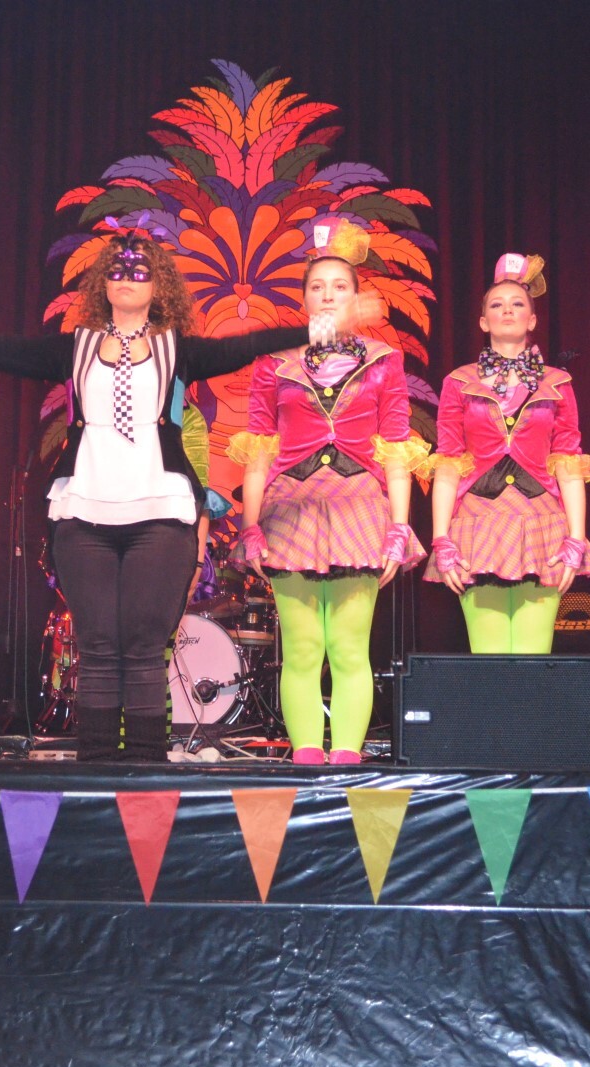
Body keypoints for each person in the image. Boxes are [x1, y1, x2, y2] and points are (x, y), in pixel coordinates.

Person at [0, 226, 384, 761]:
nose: (127, 277)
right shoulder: (77, 347)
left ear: (158, 285)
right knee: (96, 648)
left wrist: (323, 326)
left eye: (140, 270)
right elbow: (0, 349)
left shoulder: (176, 349)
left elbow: (247, 345)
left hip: (160, 516)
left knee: (142, 648)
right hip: (84, 514)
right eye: (116, 270)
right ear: (103, 284)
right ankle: (96, 770)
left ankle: (143, 769)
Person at [232, 220, 428, 765]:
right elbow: (259, 450)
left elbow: (395, 448)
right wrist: (250, 526)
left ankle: (345, 760)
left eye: (339, 286)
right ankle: (304, 760)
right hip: (290, 508)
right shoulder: (275, 362)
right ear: (303, 299)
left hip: (359, 508)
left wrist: (398, 528)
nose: (327, 295)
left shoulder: (383, 360)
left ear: (355, 296)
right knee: (300, 648)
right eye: (317, 286)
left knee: (347, 646)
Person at [419, 254, 590, 653]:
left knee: (533, 659)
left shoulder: (557, 382)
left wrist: (576, 538)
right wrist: (441, 538)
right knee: (488, 659)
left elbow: (568, 462)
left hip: (542, 525)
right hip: (477, 523)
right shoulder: (459, 381)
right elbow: (448, 462)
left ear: (532, 319)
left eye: (517, 303)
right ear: (483, 321)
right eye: (497, 304)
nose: (507, 310)